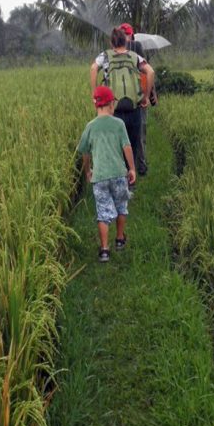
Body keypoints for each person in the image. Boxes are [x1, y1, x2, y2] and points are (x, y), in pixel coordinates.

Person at [77, 85, 137, 263]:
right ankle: (119, 239)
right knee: (121, 206)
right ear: (111, 104)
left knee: (103, 212)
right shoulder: (118, 124)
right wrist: (132, 168)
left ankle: (104, 250)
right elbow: (127, 147)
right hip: (119, 174)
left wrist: (88, 171)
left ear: (96, 105)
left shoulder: (90, 126)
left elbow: (85, 152)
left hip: (100, 177)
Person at [90, 27, 154, 179]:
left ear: (112, 42)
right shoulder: (134, 56)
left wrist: (95, 94)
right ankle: (130, 182)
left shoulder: (105, 56)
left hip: (114, 109)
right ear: (126, 41)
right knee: (131, 145)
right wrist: (145, 97)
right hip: (134, 109)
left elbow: (93, 68)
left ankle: (116, 179)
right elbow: (150, 72)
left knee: (115, 147)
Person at [119, 22, 155, 176]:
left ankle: (131, 166)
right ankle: (139, 166)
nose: (127, 38)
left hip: (122, 100)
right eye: (126, 35)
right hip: (138, 97)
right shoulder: (137, 46)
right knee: (139, 133)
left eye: (127, 34)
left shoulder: (115, 50)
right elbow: (147, 73)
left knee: (127, 134)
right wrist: (150, 95)